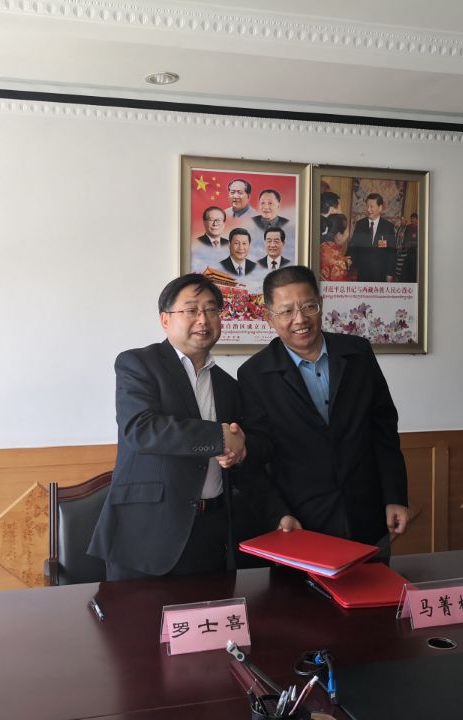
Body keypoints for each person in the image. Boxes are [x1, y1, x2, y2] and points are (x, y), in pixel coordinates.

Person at [237, 265, 409, 553]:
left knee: (374, 583)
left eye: (308, 306)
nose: (300, 319)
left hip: (368, 515)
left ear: (320, 304)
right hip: (301, 524)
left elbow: (384, 430)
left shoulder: (358, 353)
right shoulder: (254, 374)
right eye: (287, 311)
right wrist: (278, 514)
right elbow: (257, 455)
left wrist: (395, 495)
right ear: (269, 318)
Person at [88, 274, 248, 580]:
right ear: (165, 319)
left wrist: (236, 452)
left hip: (210, 531)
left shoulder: (228, 385)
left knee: (209, 611)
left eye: (211, 310)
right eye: (191, 310)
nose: (203, 319)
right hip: (146, 534)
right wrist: (218, 437)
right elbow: (140, 429)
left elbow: (235, 444)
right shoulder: (138, 364)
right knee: (137, 613)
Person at [346, 193, 398, 282]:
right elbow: (353, 246)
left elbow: (391, 253)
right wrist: (348, 259)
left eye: (371, 207)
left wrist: (390, 273)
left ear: (380, 208)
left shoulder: (388, 227)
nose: (368, 209)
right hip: (363, 271)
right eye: (367, 206)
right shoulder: (360, 224)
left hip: (381, 272)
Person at [319, 214, 351, 282]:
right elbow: (340, 286)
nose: (348, 235)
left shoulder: (320, 247)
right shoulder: (338, 263)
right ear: (339, 235)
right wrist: (343, 264)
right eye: (347, 231)